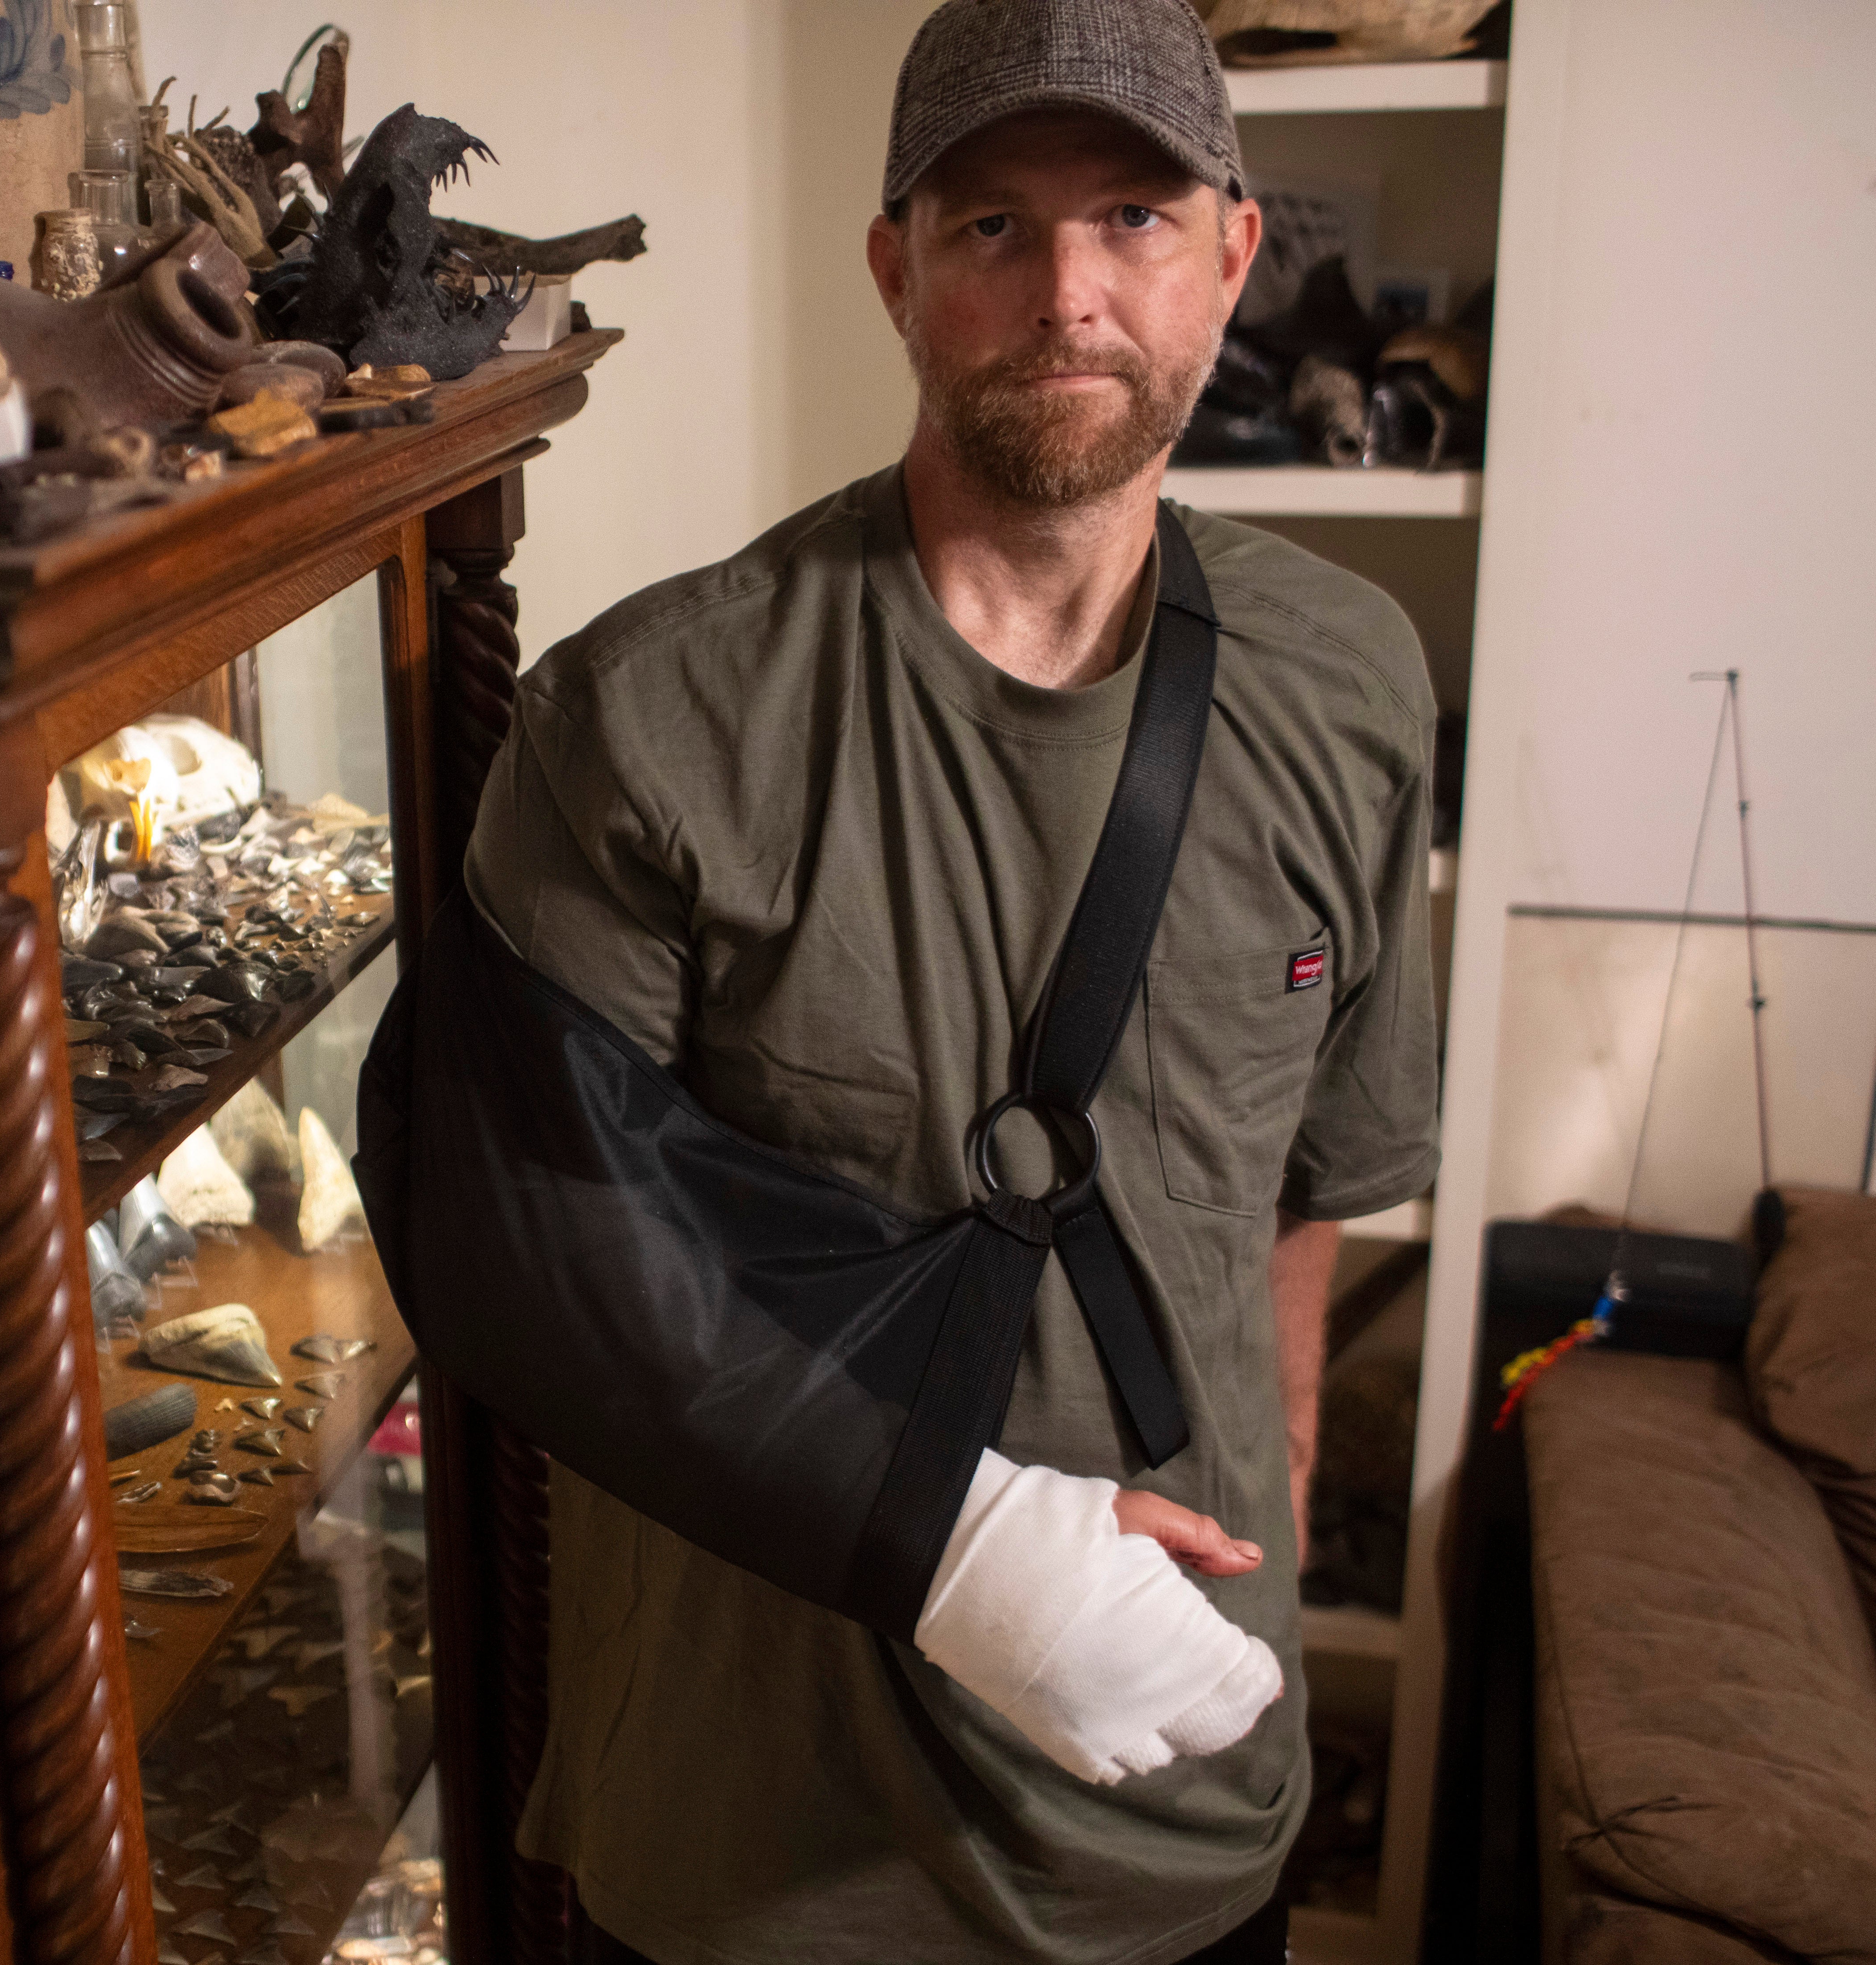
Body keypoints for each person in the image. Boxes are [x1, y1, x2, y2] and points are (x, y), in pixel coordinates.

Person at [458, 0, 1442, 1959]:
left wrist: (1281, 1427)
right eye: (994, 225)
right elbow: (547, 1261)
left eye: (1137, 220)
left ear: (1235, 257)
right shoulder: (649, 722)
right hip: (762, 1845)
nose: (1071, 291)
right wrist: (971, 1543)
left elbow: (1319, 1157)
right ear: (897, 267)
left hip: (1165, 1809)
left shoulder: (1351, 682)